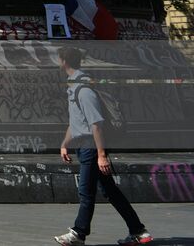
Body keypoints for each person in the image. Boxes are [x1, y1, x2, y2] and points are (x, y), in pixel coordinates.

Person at [53, 47, 153, 245]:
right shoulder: (74, 87)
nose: (57, 63)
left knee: (85, 191)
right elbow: (77, 122)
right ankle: (139, 232)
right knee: (110, 191)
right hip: (84, 145)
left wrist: (101, 155)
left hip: (91, 146)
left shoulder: (84, 90)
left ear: (64, 61)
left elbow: (96, 124)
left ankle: (78, 234)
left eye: (58, 59)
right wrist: (65, 144)